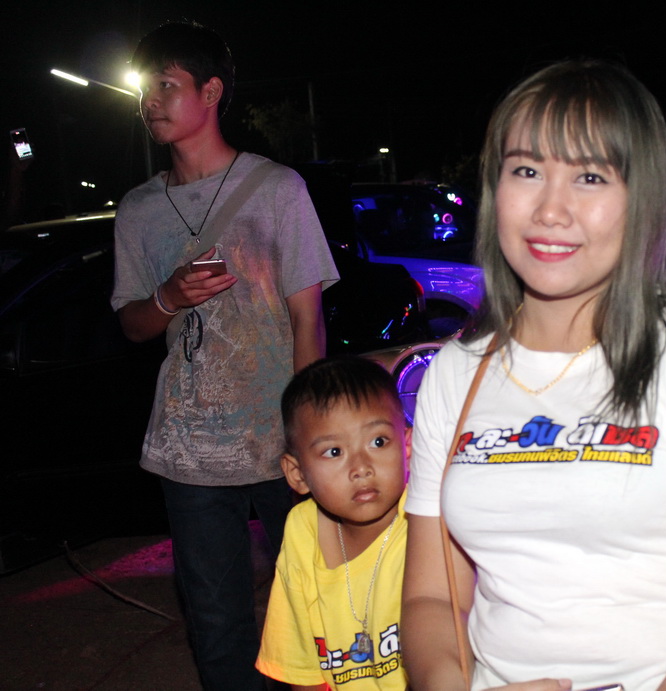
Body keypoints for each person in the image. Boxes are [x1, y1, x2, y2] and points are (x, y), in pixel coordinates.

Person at [402, 60, 666, 691]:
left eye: (589, 177)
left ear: (640, 200)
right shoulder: (456, 371)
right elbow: (431, 598)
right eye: (526, 171)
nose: (550, 210)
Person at [110, 21, 339, 690]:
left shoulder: (277, 189)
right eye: (144, 89)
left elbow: (307, 317)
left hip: (279, 438)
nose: (150, 102)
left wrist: (309, 435)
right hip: (187, 446)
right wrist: (168, 296)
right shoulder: (137, 209)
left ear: (210, 92)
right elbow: (131, 325)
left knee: (318, 608)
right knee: (216, 623)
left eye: (165, 85)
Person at [257, 356, 410, 690]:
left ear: (409, 446)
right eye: (334, 452)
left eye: (378, 442)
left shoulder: (426, 520)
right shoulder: (302, 531)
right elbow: (302, 668)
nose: (361, 467)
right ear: (297, 474)